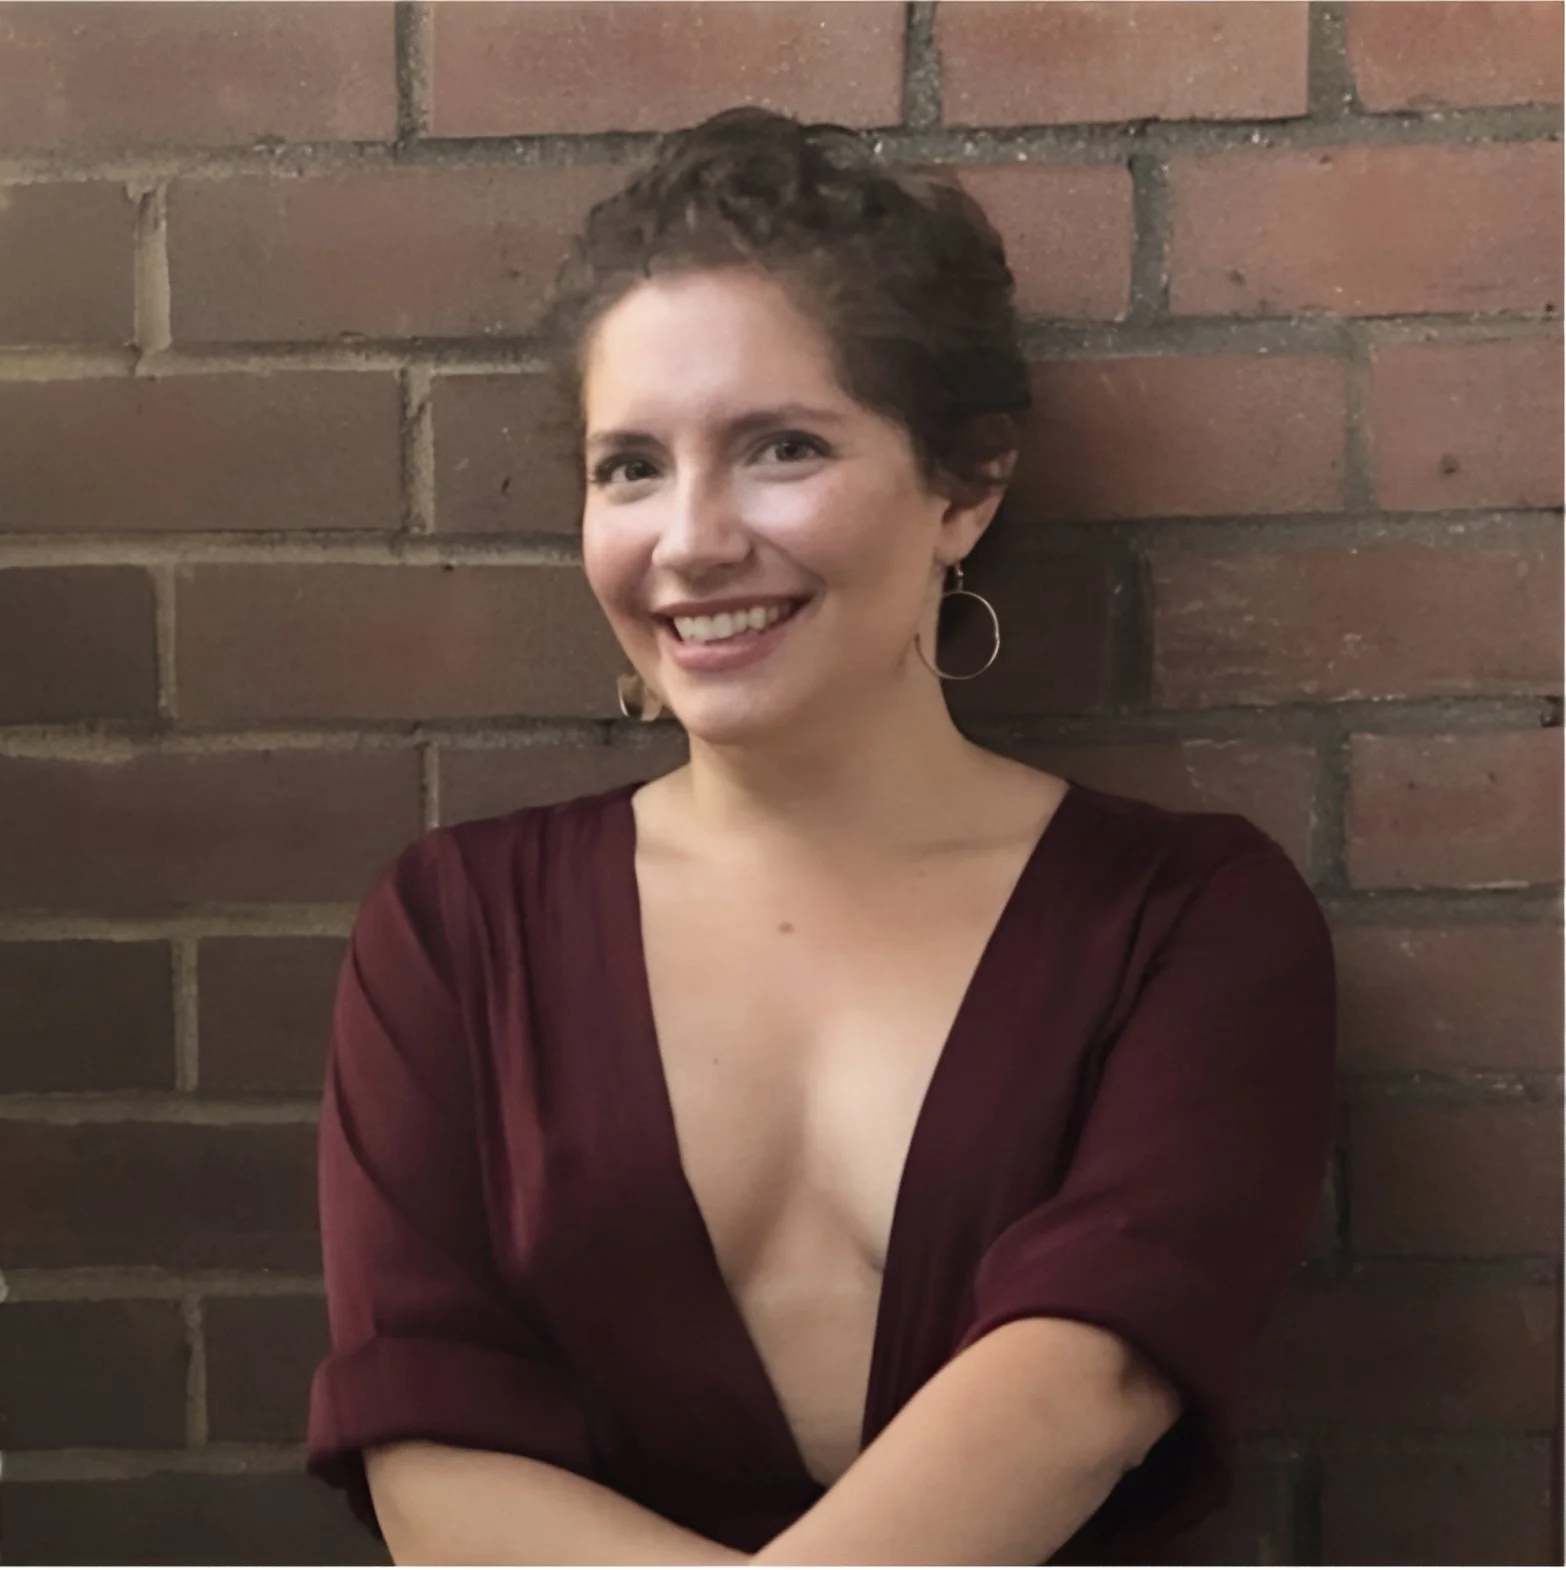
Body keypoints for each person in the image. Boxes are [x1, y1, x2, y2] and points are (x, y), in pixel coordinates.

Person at [304, 107, 1337, 1565]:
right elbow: (429, 1458)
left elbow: (1082, 1385)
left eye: (780, 446)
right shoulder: (453, 929)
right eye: (628, 467)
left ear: (963, 488)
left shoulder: (1187, 921)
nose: (691, 538)